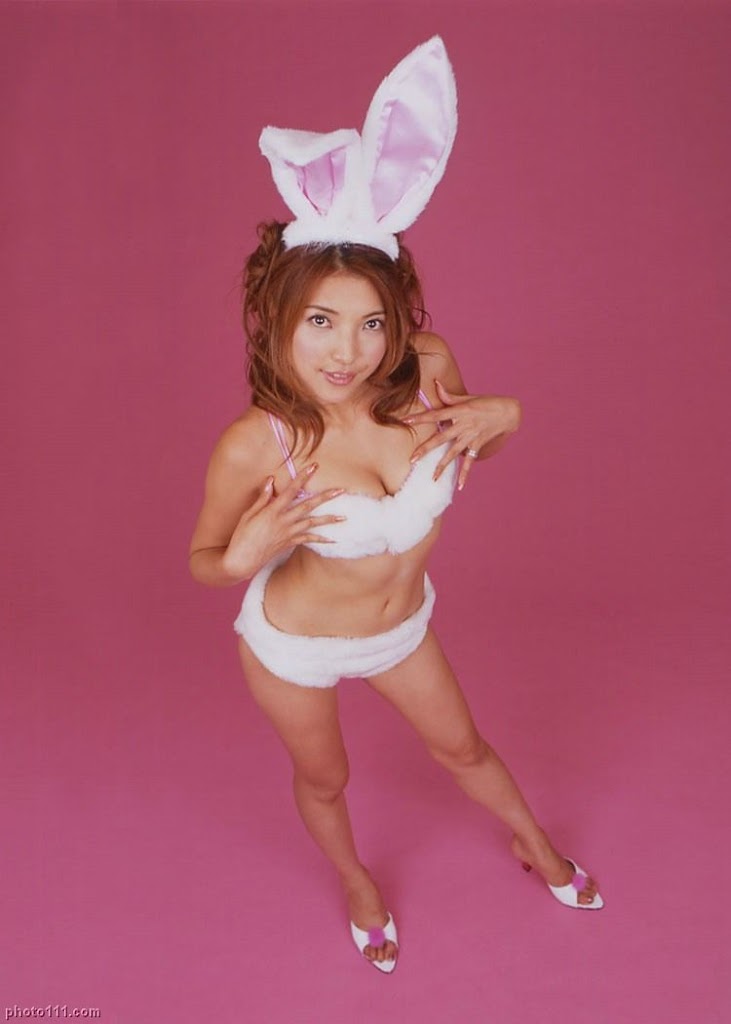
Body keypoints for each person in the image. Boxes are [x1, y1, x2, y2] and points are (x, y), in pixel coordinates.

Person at [188, 37, 602, 975]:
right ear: (279, 322)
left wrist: (507, 415)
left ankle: (538, 847)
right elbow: (204, 561)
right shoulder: (256, 442)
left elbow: (471, 446)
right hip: (296, 646)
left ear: (395, 318)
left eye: (370, 322)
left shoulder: (426, 369)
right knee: (326, 778)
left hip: (402, 626)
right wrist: (243, 556)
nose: (348, 351)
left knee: (464, 749)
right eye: (320, 323)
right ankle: (357, 885)